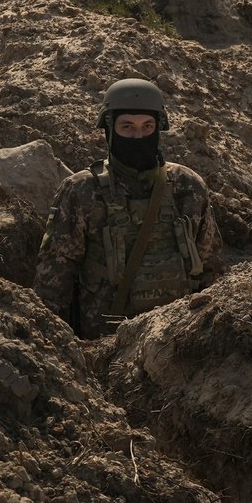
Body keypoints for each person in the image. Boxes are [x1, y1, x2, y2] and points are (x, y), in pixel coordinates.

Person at [34, 77, 222, 337]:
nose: (138, 135)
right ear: (110, 131)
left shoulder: (187, 187)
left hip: (175, 341)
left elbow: (210, 267)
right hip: (104, 345)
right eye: (127, 127)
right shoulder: (81, 191)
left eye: (147, 126)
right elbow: (54, 280)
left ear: (159, 129)